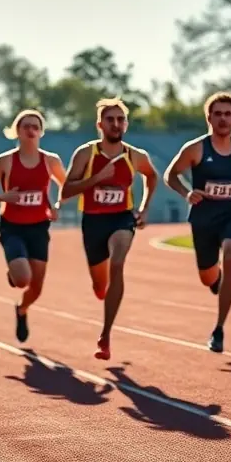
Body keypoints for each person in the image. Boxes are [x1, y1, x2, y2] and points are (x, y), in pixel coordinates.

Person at [163, 92, 231, 353]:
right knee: (207, 277)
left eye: (227, 114)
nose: (222, 119)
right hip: (203, 217)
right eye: (217, 114)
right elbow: (170, 174)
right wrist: (186, 192)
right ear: (208, 117)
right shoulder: (196, 148)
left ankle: (219, 328)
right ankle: (215, 279)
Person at [61, 98, 158, 360]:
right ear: (100, 124)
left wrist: (145, 207)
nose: (116, 124)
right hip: (93, 221)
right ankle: (101, 289)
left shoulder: (135, 156)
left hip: (121, 219)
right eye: (110, 120)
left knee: (117, 263)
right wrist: (95, 179)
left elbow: (152, 175)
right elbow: (66, 191)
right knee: (99, 284)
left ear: (125, 124)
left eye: (120, 120)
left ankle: (105, 335)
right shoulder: (85, 154)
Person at [0, 109, 68, 343]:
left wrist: (57, 205)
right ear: (16, 131)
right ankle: (15, 273)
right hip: (12, 227)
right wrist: (4, 197)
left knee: (36, 289)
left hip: (39, 228)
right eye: (25, 126)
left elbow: (67, 185)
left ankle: (22, 310)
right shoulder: (5, 161)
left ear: (41, 132)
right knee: (22, 279)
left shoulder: (50, 161)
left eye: (35, 126)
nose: (30, 130)